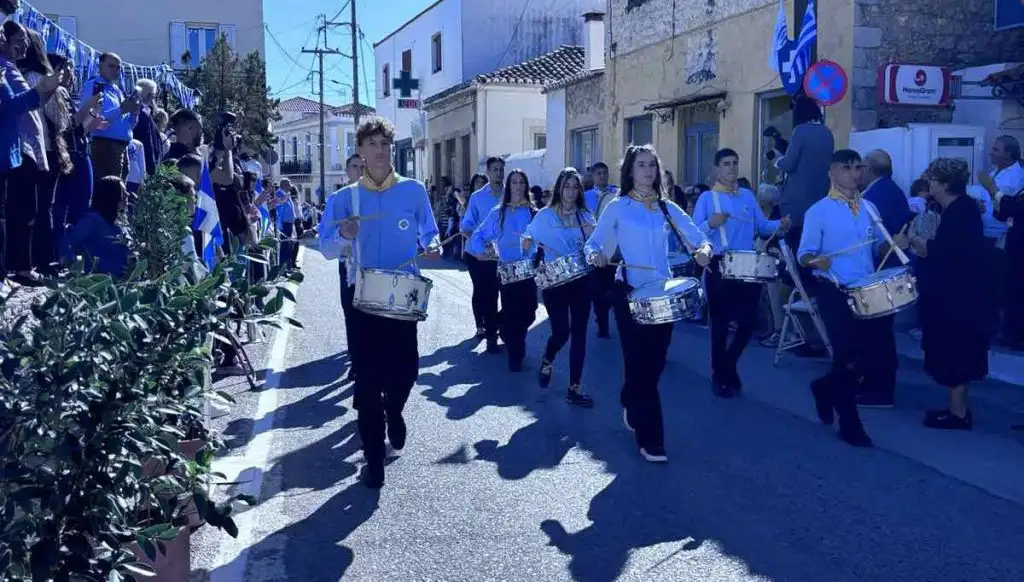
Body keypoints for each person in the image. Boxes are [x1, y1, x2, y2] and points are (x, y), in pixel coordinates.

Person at [319, 117, 441, 489]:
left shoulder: (414, 191)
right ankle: (373, 456)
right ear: (360, 150)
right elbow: (324, 247)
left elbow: (429, 230)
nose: (380, 151)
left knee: (406, 371)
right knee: (368, 381)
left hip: (403, 295)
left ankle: (395, 410)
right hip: (363, 299)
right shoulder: (345, 198)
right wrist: (343, 233)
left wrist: (432, 244)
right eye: (372, 144)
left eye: (385, 144)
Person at [585, 145, 712, 462]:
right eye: (641, 165)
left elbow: (700, 237)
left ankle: (629, 398)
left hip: (663, 297)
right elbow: (594, 243)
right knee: (640, 364)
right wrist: (596, 255)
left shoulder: (666, 207)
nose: (647, 171)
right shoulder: (618, 207)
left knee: (653, 366)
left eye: (652, 165)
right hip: (628, 293)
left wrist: (704, 252)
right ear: (630, 170)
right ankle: (651, 439)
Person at [797, 149, 898, 447]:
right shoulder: (818, 211)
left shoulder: (870, 208)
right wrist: (817, 261)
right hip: (834, 289)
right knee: (846, 354)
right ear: (832, 172)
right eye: (847, 167)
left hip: (866, 289)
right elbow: (805, 254)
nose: (855, 173)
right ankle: (850, 424)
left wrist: (892, 246)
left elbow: (879, 247)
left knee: (866, 355)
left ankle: (823, 388)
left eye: (858, 167)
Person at [692, 148, 789, 398]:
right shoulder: (707, 199)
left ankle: (728, 364)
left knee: (747, 323)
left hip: (748, 265)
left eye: (735, 163)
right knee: (721, 325)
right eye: (726, 164)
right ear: (716, 169)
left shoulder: (746, 196)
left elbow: (762, 226)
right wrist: (710, 224)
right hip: (719, 263)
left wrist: (780, 225)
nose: (732, 168)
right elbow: (693, 235)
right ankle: (720, 374)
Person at [909, 158, 992, 430]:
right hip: (958, 296)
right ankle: (959, 409)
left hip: (957, 299)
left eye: (933, 179)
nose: (929, 183)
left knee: (954, 353)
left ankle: (958, 414)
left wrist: (922, 244)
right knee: (955, 353)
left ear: (944, 183)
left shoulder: (960, 212)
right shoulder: (958, 208)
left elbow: (951, 253)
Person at [523, 167, 596, 407]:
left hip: (581, 282)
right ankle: (549, 357)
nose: (571, 192)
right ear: (559, 188)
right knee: (562, 332)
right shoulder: (545, 216)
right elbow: (529, 241)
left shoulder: (585, 217)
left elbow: (595, 248)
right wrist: (529, 245)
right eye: (567, 186)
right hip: (554, 283)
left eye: (575, 187)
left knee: (580, 334)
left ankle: (574, 387)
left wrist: (593, 240)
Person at [470, 169, 538, 371]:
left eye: (521, 182)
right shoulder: (498, 212)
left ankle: (497, 324)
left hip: (528, 272)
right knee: (514, 312)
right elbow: (478, 235)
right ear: (509, 187)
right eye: (514, 182)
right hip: (507, 272)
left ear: (526, 187)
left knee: (530, 313)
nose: (518, 186)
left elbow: (544, 238)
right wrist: (480, 251)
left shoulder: (534, 213)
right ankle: (515, 356)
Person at [319, 153, 365, 383]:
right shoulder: (337, 200)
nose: (360, 171)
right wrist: (343, 236)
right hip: (350, 271)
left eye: (363, 166)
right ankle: (357, 363)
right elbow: (325, 247)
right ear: (347, 171)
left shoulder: (384, 198)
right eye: (355, 167)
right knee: (354, 319)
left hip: (379, 272)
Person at [461, 160, 504, 349]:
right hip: (478, 254)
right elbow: (466, 226)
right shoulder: (478, 197)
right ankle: (484, 327)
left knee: (501, 292)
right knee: (483, 291)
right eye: (495, 170)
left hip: (501, 254)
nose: (499, 173)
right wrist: (480, 241)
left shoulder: (509, 194)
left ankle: (494, 325)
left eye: (502, 170)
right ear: (487, 172)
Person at [79, 52, 139, 181]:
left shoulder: (116, 89)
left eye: (118, 67)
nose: (116, 70)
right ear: (100, 66)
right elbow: (91, 117)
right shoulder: (95, 86)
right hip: (105, 146)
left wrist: (134, 112)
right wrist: (122, 109)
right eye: (111, 66)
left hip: (122, 147)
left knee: (118, 191)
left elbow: (127, 123)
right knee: (109, 191)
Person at [59, 175, 129, 278]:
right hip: (100, 283)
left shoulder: (122, 221)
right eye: (123, 192)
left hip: (125, 281)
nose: (127, 194)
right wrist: (75, 266)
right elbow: (67, 244)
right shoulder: (92, 221)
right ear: (111, 196)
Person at [582, 161, 619, 338]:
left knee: (613, 288)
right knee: (597, 290)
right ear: (593, 176)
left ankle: (610, 311)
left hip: (614, 249)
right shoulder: (586, 196)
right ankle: (602, 323)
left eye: (605, 173)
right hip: (594, 248)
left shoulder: (616, 193)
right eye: (599, 173)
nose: (602, 176)